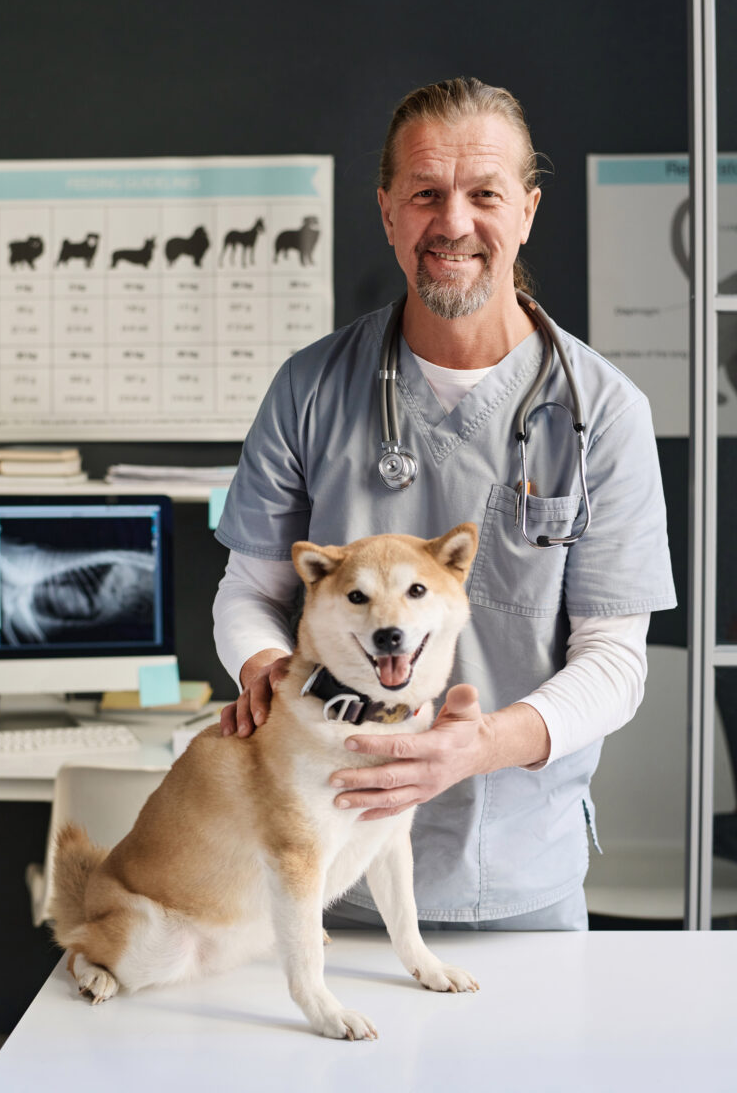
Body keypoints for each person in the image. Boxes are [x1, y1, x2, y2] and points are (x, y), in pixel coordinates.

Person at [212, 77, 676, 931]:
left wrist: (480, 746)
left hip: (520, 878)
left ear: (528, 210)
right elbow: (249, 592)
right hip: (325, 869)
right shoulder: (310, 391)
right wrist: (265, 672)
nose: (453, 223)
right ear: (388, 211)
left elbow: (616, 661)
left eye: (484, 194)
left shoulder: (604, 412)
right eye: (426, 193)